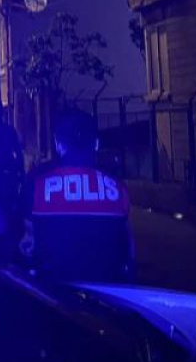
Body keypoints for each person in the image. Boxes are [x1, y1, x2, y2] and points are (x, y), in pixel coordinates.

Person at [20, 109, 134, 282]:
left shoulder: (37, 182)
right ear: (96, 144)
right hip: (107, 287)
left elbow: (28, 241)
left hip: (53, 288)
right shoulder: (116, 185)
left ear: (58, 144)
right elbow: (128, 246)